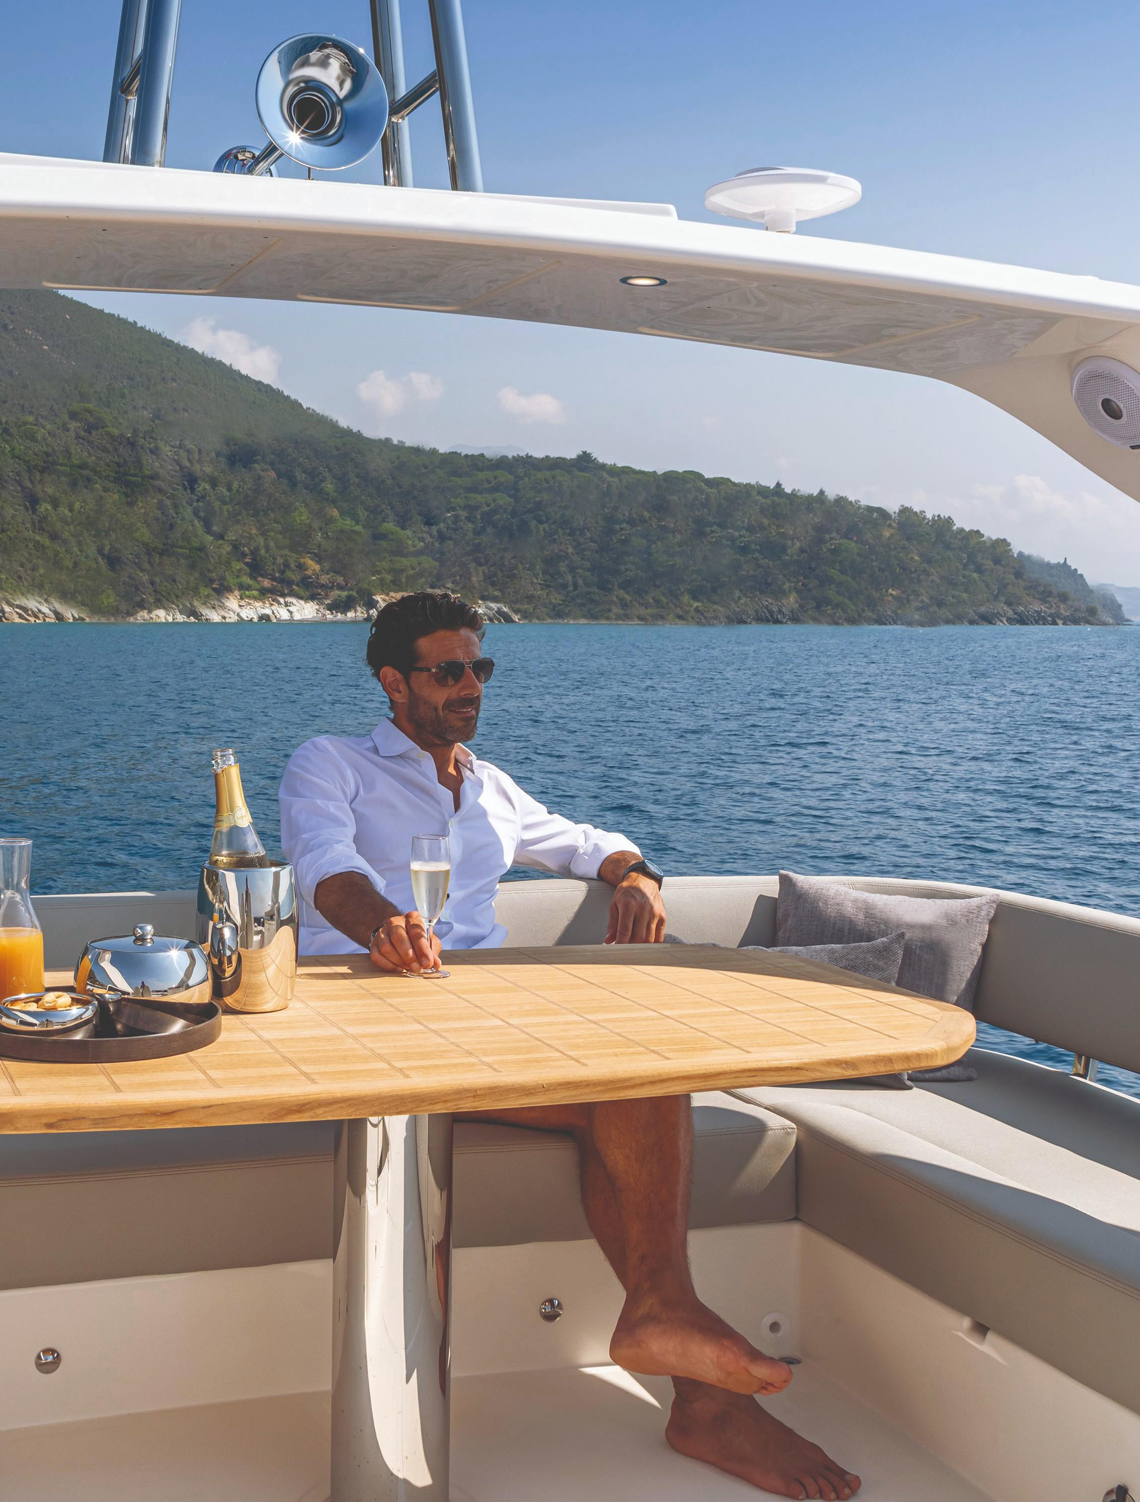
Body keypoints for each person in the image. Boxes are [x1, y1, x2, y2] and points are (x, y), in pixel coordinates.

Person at [277, 591, 862, 1502]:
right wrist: (383, 923)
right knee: (629, 1082)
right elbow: (325, 867)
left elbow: (589, 844)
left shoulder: (491, 786)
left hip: (477, 1022)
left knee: (639, 1072)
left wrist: (639, 875)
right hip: (370, 1017)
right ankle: (691, 1372)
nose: (470, 685)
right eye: (448, 670)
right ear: (394, 682)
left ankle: (676, 1346)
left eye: (480, 667)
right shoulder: (332, 764)